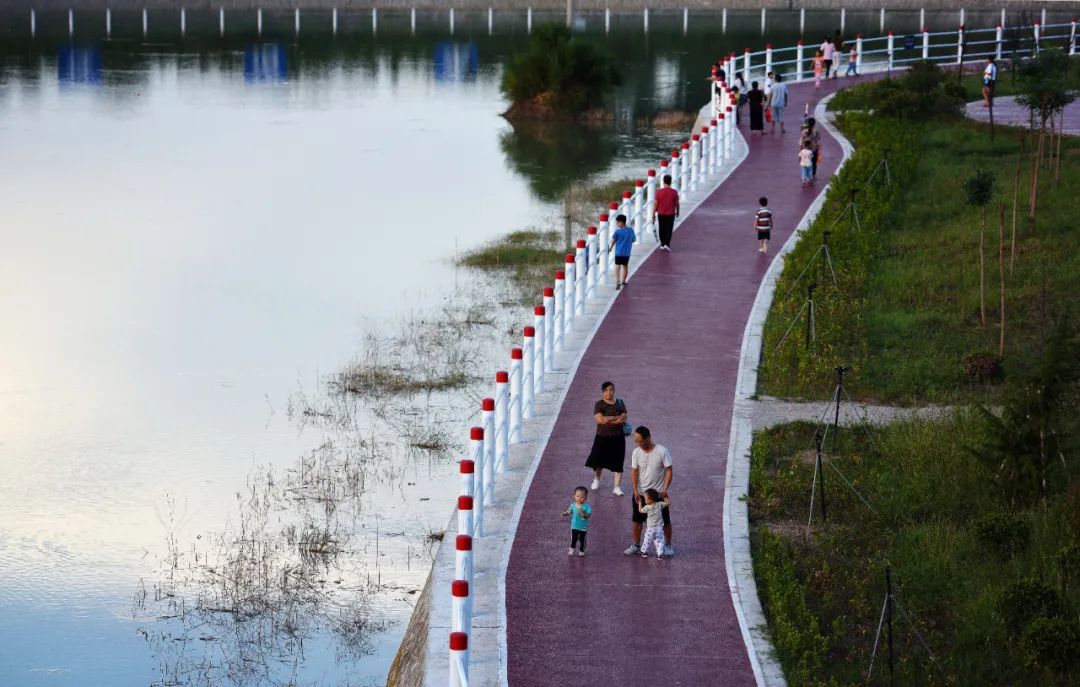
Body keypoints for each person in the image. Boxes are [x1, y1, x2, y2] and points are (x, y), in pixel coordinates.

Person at [624, 426, 674, 557]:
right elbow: (634, 471)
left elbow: (669, 470)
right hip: (641, 494)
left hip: (657, 494)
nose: (638, 444)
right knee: (637, 520)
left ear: (648, 438)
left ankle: (668, 545)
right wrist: (635, 490)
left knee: (665, 521)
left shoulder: (662, 451)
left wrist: (665, 488)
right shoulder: (636, 452)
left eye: (640, 441)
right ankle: (636, 545)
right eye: (636, 441)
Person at [586, 381, 628, 494]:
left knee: (618, 461)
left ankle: (617, 487)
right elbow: (600, 420)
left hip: (618, 437)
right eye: (606, 390)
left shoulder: (620, 402)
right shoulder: (599, 404)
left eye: (611, 390)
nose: (609, 392)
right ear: (602, 392)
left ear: (614, 391)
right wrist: (616, 418)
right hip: (602, 437)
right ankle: (596, 480)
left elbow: (624, 417)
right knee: (598, 460)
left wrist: (608, 418)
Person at [637, 488, 669, 559]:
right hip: (659, 528)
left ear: (649, 498)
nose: (644, 500)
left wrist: (639, 503)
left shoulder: (647, 507)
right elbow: (668, 503)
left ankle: (644, 552)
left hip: (650, 528)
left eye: (645, 498)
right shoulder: (659, 504)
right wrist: (665, 497)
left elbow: (640, 511)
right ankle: (659, 554)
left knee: (647, 540)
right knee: (659, 541)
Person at [651, 174, 679, 251]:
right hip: (671, 213)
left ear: (663, 182)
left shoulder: (659, 192)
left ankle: (662, 244)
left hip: (661, 213)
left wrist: (653, 214)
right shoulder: (674, 192)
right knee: (669, 229)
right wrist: (678, 211)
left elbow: (655, 204)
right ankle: (667, 244)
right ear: (671, 182)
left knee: (662, 228)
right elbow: (677, 203)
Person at [561, 486, 591, 557]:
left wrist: (582, 514)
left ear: (586, 497)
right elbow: (569, 511)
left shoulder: (587, 507)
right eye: (577, 496)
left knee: (582, 539)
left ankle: (582, 550)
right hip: (574, 525)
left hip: (583, 527)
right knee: (574, 538)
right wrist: (565, 513)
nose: (579, 498)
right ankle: (572, 548)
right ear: (574, 496)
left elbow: (588, 516)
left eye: (582, 497)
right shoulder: (572, 505)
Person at [608, 214, 636, 290]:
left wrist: (610, 248)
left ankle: (618, 281)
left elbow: (613, 241)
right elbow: (634, 240)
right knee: (625, 267)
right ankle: (623, 281)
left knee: (617, 267)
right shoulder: (630, 230)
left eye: (617, 222)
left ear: (621, 222)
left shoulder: (617, 232)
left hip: (618, 253)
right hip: (627, 253)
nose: (617, 224)